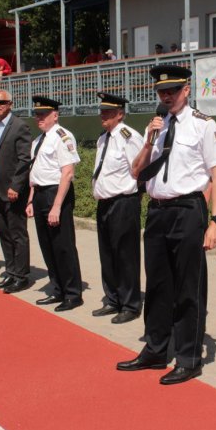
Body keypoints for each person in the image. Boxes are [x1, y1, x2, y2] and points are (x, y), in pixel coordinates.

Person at [116, 65, 216, 385]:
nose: (166, 96)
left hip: (187, 210)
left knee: (188, 288)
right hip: (157, 212)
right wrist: (148, 139)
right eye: (161, 92)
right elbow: (136, 172)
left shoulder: (203, 125)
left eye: (172, 90)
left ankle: (189, 357)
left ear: (186, 90)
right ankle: (155, 350)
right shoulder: (158, 125)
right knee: (157, 286)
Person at [90, 93, 143, 324]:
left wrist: (135, 199)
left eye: (108, 112)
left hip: (124, 202)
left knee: (126, 256)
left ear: (120, 114)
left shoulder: (128, 136)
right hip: (105, 203)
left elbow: (139, 169)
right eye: (101, 111)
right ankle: (113, 299)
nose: (103, 115)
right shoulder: (104, 138)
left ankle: (130, 304)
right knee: (108, 254)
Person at [28, 96, 84, 312]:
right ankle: (58, 288)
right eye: (37, 114)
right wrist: (32, 198)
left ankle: (72, 293)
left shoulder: (62, 136)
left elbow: (67, 173)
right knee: (47, 246)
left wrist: (57, 206)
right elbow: (35, 171)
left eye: (43, 114)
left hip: (56, 195)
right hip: (41, 193)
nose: (39, 118)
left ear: (55, 115)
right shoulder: (39, 140)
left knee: (63, 246)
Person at [0, 89, 32, 294]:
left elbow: (24, 159)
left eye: (1, 102)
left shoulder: (19, 126)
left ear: (10, 104)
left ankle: (22, 276)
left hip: (13, 191)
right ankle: (11, 272)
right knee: (4, 232)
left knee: (17, 234)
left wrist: (16, 185)